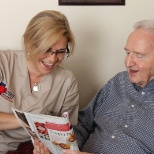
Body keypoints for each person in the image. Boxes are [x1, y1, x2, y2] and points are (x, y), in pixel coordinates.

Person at [34, 19, 154, 154]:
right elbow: (84, 123)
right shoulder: (119, 81)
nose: (128, 62)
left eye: (139, 55)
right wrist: (61, 148)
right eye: (127, 53)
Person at [0, 10, 79, 153]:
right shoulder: (3, 63)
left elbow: (68, 135)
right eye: (47, 50)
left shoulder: (67, 82)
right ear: (30, 43)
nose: (52, 59)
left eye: (60, 51)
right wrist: (30, 120)